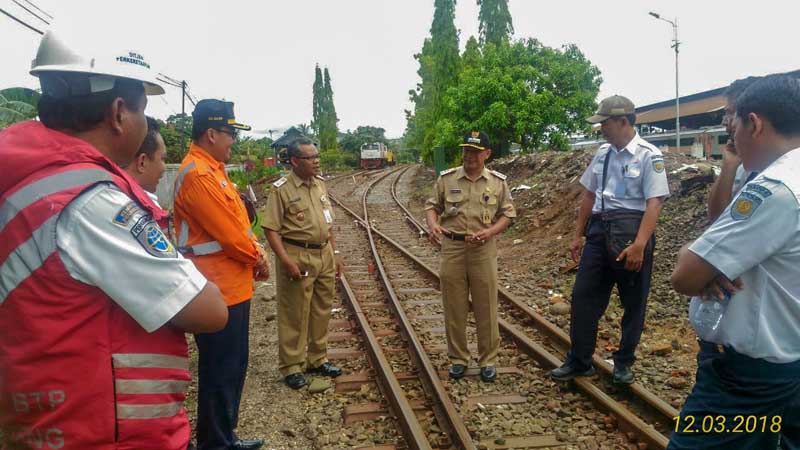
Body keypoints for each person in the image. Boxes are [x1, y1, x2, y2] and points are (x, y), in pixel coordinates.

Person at [0, 31, 227, 450]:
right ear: (119, 112)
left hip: (45, 419)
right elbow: (208, 311)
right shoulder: (90, 203)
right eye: (143, 108)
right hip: (103, 431)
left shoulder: (26, 180)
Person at [669, 74, 800, 450]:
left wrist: (706, 260)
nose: (732, 133)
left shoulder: (773, 189)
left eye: (735, 121)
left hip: (746, 382)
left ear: (754, 123)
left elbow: (686, 276)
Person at [550, 95, 670, 384]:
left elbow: (655, 203)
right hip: (599, 232)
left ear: (623, 122)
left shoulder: (648, 155)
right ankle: (580, 360)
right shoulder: (602, 153)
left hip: (632, 233)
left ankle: (623, 363)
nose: (601, 128)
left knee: (633, 302)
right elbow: (589, 195)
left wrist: (640, 244)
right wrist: (578, 234)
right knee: (583, 296)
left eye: (605, 123)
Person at [173, 99, 269, 450]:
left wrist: (253, 253)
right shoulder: (198, 175)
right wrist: (258, 257)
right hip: (217, 290)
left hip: (232, 286)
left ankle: (224, 436)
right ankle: (215, 443)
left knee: (233, 367)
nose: (233, 140)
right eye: (229, 133)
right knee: (220, 370)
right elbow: (230, 236)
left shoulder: (214, 170)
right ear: (211, 133)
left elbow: (240, 225)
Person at [424, 130, 516, 383]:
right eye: (466, 151)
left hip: (483, 250)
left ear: (487, 154)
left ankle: (488, 360)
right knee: (454, 306)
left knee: (486, 305)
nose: (470, 157)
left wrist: (491, 232)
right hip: (452, 248)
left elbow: (508, 214)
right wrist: (433, 225)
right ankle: (458, 359)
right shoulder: (447, 179)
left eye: (476, 152)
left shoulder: (497, 182)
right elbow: (432, 206)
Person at [262, 137, 344, 390]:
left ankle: (317, 359)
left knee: (322, 309)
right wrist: (285, 260)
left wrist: (336, 251)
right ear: (295, 161)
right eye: (310, 158)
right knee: (295, 312)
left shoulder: (319, 185)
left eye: (317, 156)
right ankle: (292, 365)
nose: (317, 161)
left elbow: (328, 222)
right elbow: (271, 229)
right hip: (298, 254)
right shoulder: (282, 189)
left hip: (324, 254)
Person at [693, 76, 761, 365]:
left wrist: (709, 266)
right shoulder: (745, 165)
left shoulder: (779, 177)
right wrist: (729, 167)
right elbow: (716, 217)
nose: (725, 120)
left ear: (754, 119)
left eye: (731, 112)